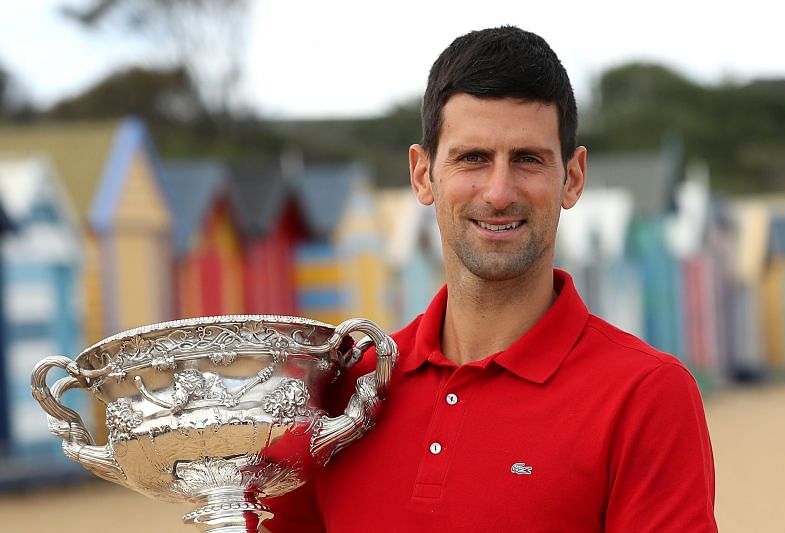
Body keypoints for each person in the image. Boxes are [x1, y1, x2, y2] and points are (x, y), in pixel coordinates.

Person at [263, 26, 717, 532]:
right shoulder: (340, 388)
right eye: (472, 158)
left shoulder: (646, 396)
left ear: (573, 177)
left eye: (527, 159)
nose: (499, 192)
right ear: (422, 174)